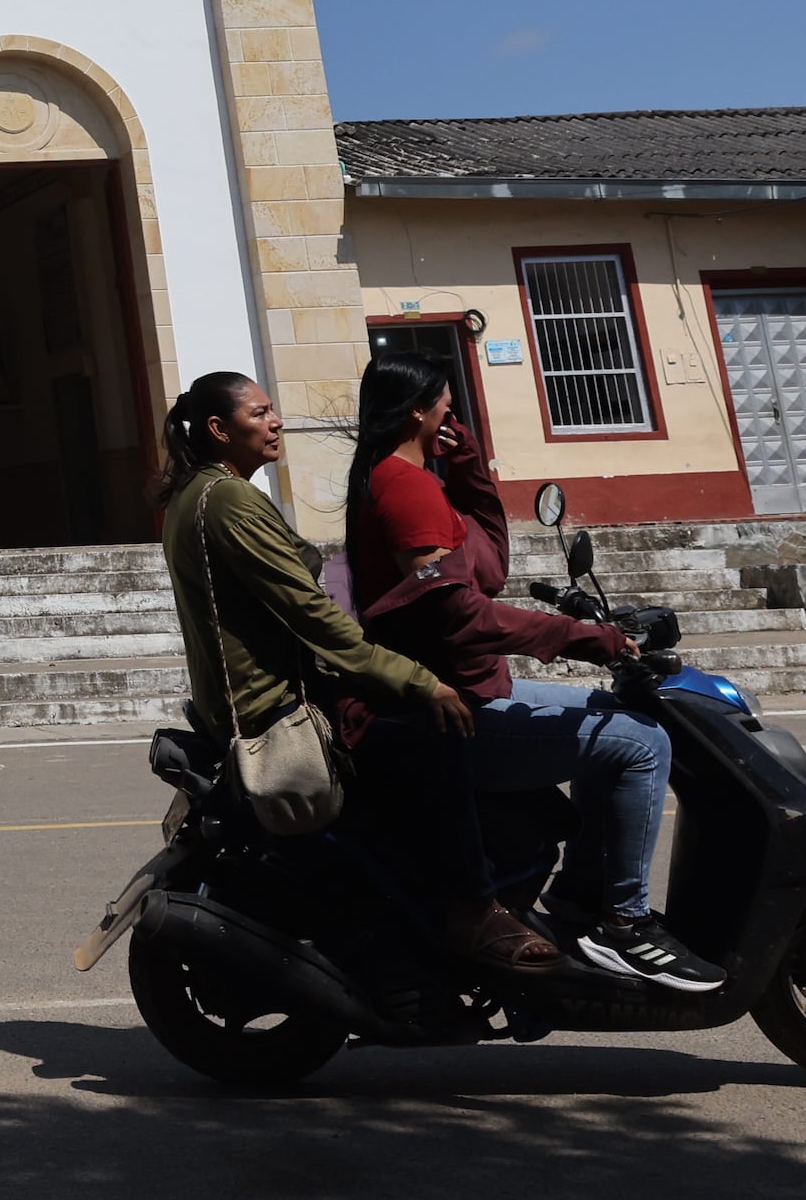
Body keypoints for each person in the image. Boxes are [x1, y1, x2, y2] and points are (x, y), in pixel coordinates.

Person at [155, 370, 561, 984]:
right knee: (438, 739)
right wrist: (418, 680)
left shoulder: (198, 494)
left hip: (256, 696)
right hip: (276, 710)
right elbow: (313, 617)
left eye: (273, 410)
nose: (276, 422)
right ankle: (473, 912)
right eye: (260, 414)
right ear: (218, 429)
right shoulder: (230, 500)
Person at [343, 360, 717, 990]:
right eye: (447, 406)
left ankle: (579, 896)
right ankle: (623, 924)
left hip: (475, 684)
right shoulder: (405, 488)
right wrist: (581, 639)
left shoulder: (415, 478)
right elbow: (460, 614)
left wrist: (466, 465)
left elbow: (488, 565)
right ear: (419, 411)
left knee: (621, 721)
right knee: (642, 744)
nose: (452, 418)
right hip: (450, 706)